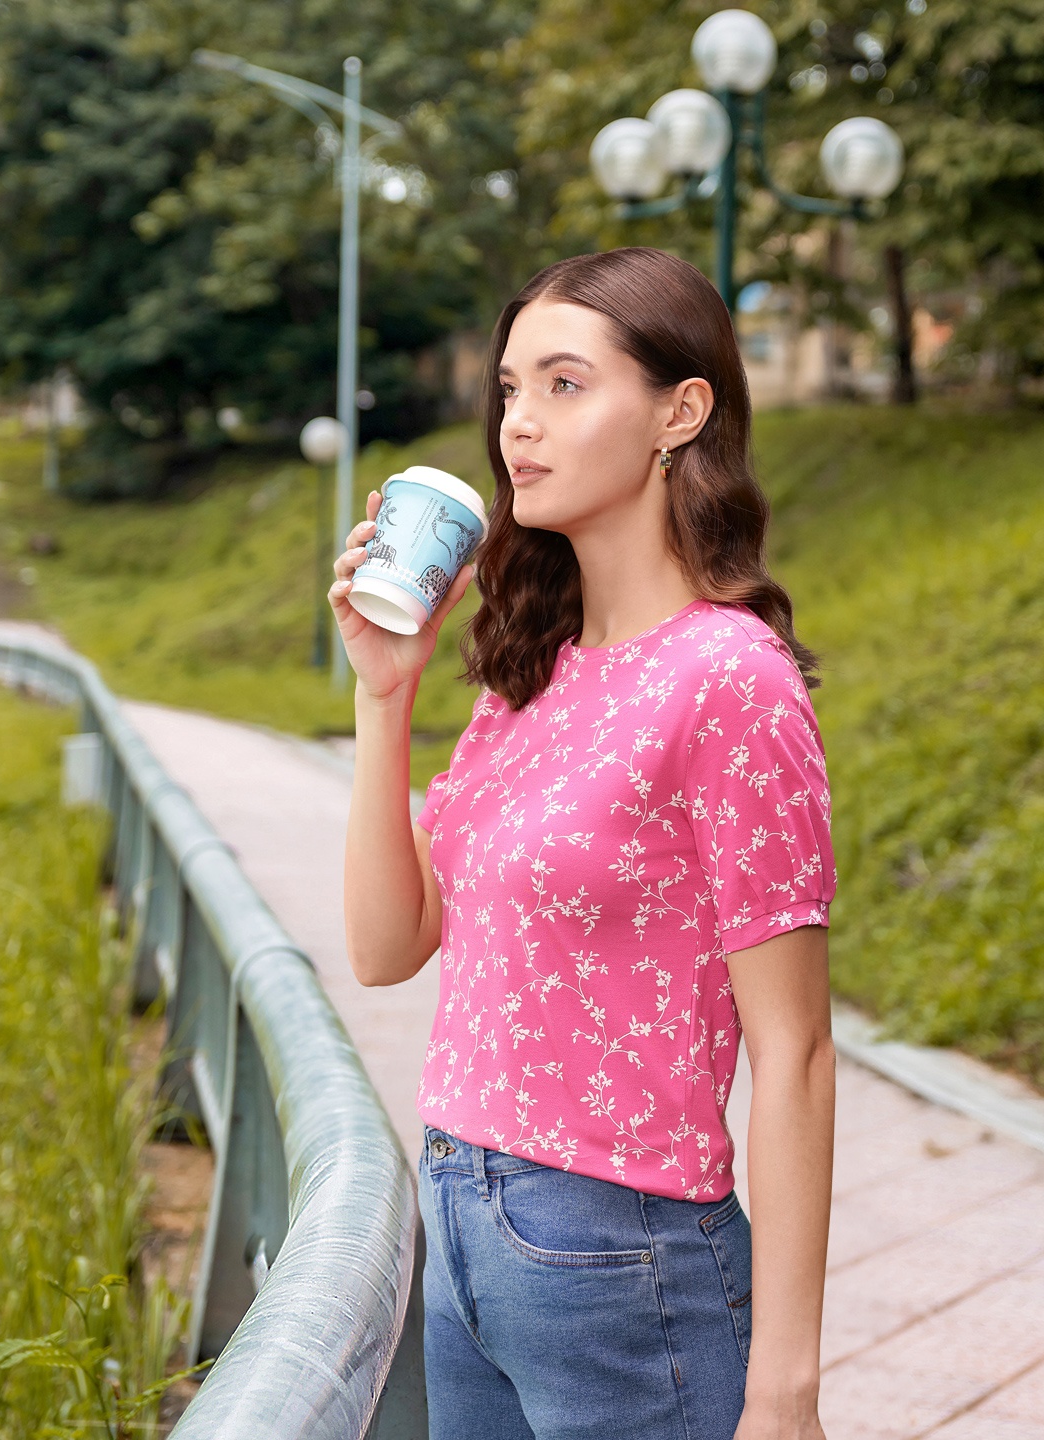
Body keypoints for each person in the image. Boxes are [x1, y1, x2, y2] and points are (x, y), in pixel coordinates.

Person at [330, 246, 837, 1440]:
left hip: (627, 1257)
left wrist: (786, 1389)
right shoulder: (531, 672)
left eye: (564, 385)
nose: (520, 425)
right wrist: (382, 696)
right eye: (510, 390)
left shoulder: (731, 682)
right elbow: (384, 948)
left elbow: (798, 1050)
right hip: (458, 1225)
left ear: (680, 411)